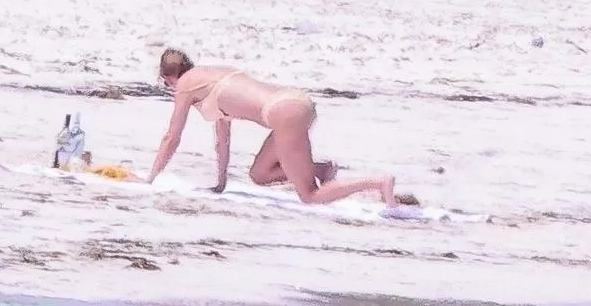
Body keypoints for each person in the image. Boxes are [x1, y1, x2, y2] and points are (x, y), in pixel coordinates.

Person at [144, 48, 402, 206]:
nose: (170, 89)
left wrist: (150, 179)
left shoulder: (185, 85)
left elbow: (172, 137)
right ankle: (322, 170)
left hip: (283, 113)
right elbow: (222, 138)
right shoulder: (212, 75)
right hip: (293, 101)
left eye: (166, 84)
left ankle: (377, 182)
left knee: (309, 196)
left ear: (169, 77)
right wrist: (221, 183)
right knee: (259, 174)